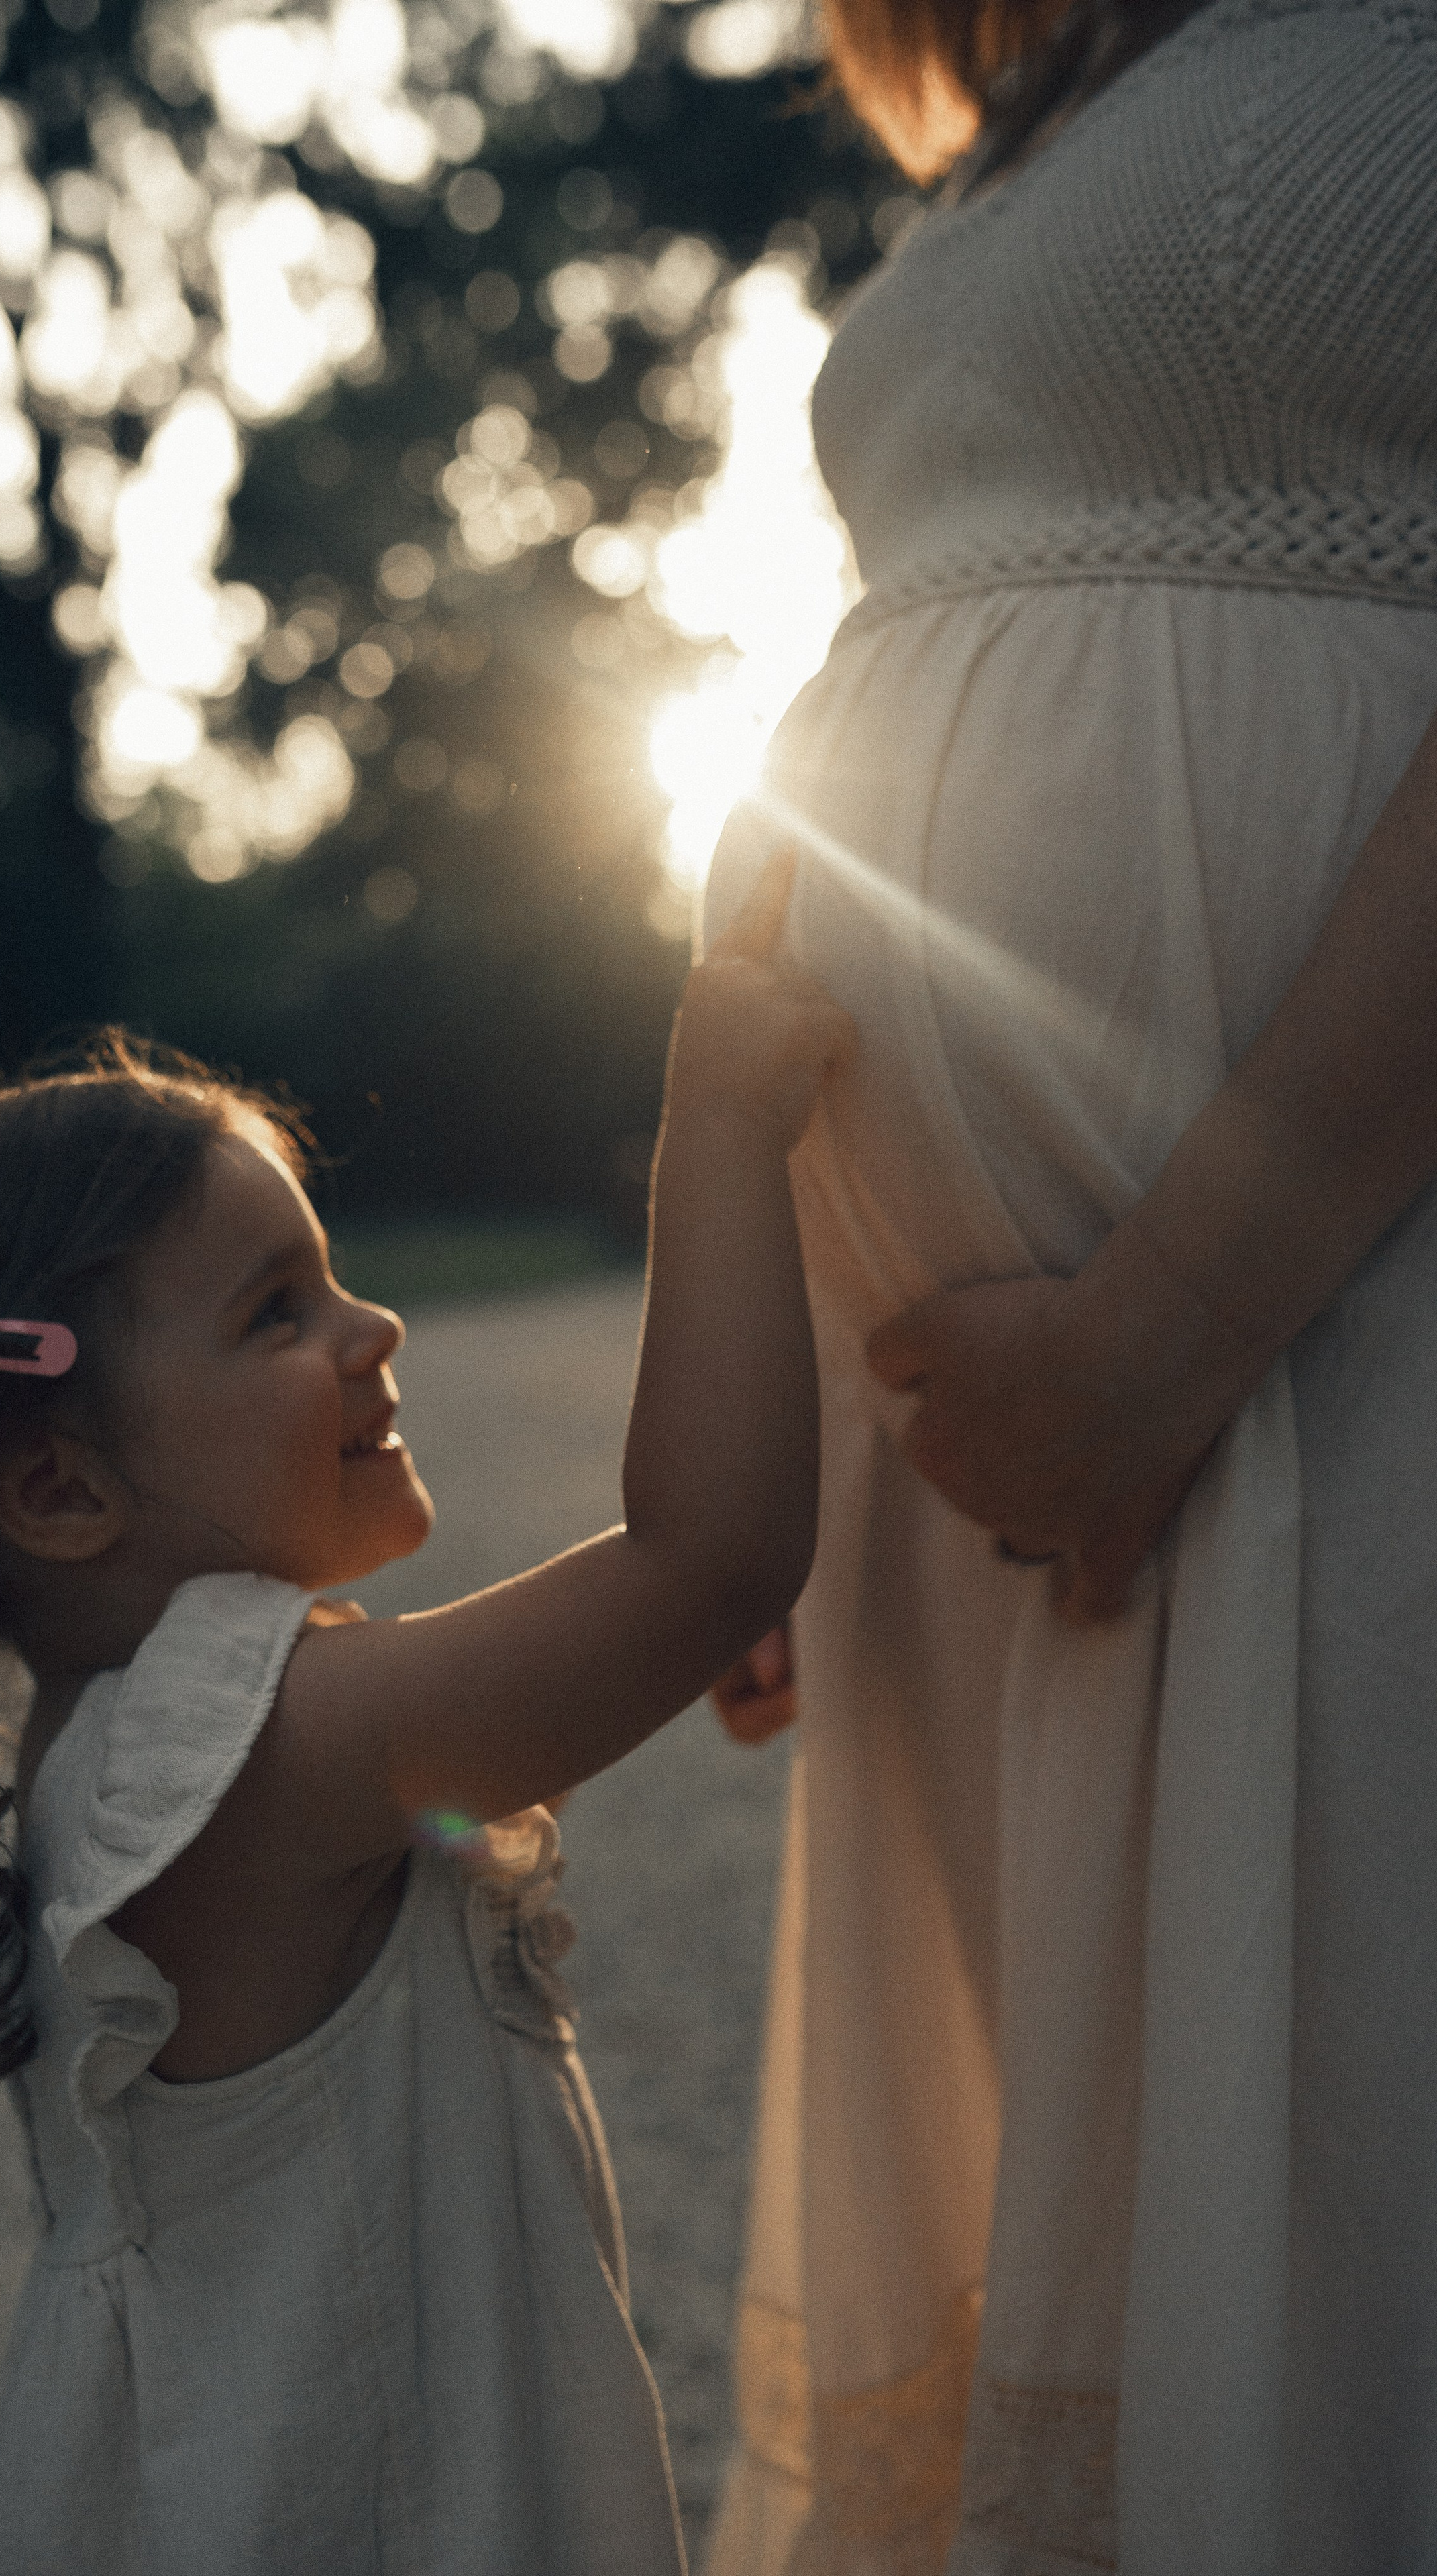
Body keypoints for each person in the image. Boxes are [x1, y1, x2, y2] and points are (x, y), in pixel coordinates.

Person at [0, 857, 853, 2576]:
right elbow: (706, 1555)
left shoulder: (110, 1750)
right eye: (278, 1310)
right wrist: (716, 1118)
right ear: (56, 1486)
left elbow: (562, 1685)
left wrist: (616, 1655)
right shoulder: (259, 1749)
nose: (374, 1325)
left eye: (330, 1277)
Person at [700, 1, 1437, 2572]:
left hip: (1325, 1319)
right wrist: (770, 1394)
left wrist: (1175, 1319)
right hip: (975, 1454)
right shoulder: (1053, 106)